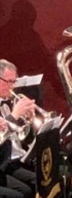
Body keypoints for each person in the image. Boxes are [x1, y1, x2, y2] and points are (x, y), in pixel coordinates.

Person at [0, 59, 36, 197]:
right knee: (24, 192)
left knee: (45, 176)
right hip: (4, 162)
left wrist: (30, 120)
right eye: (8, 81)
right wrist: (14, 115)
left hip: (16, 156)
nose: (11, 87)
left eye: (13, 82)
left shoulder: (7, 103)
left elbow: (25, 137)